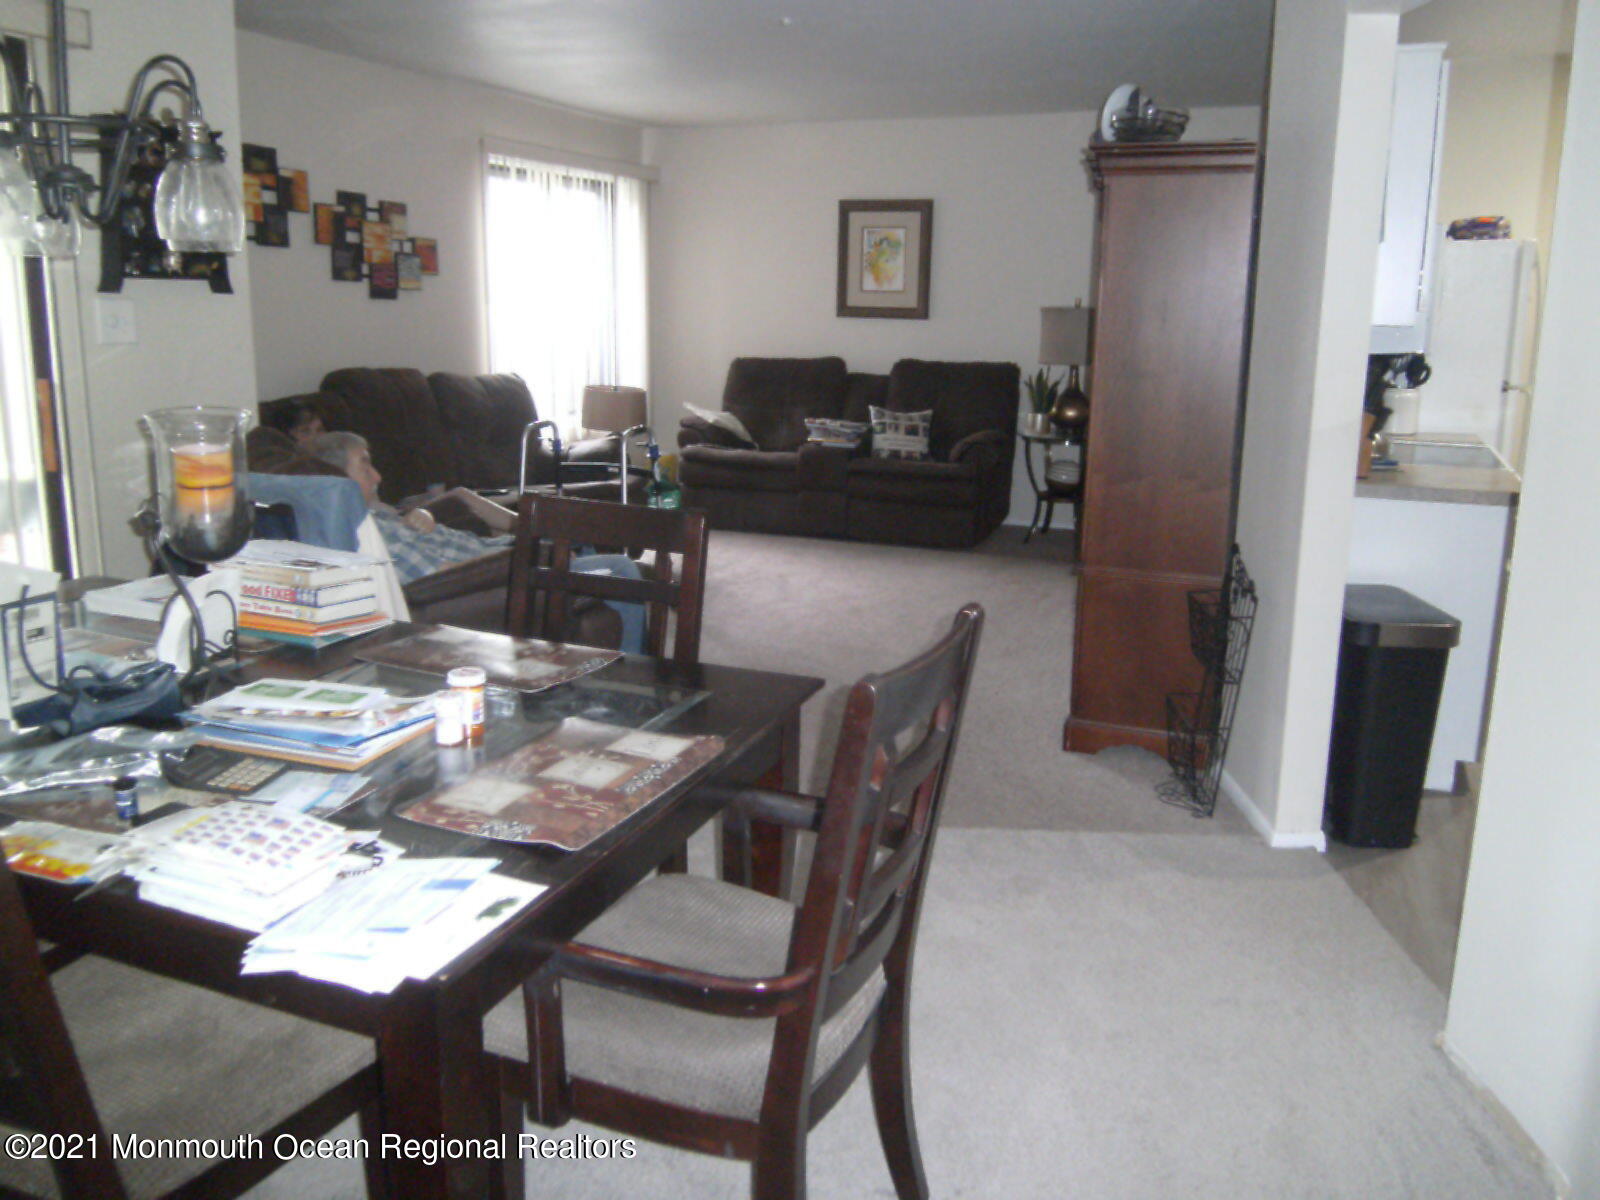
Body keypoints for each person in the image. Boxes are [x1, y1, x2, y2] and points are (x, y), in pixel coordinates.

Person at [309, 431, 647, 653]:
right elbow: (442, 575)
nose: (378, 475)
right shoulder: (372, 532)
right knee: (622, 569)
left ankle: (616, 647)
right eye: (365, 465)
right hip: (508, 568)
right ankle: (633, 677)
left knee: (587, 546)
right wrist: (522, 556)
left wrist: (424, 514)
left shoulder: (382, 516)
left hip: (501, 552)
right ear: (338, 477)